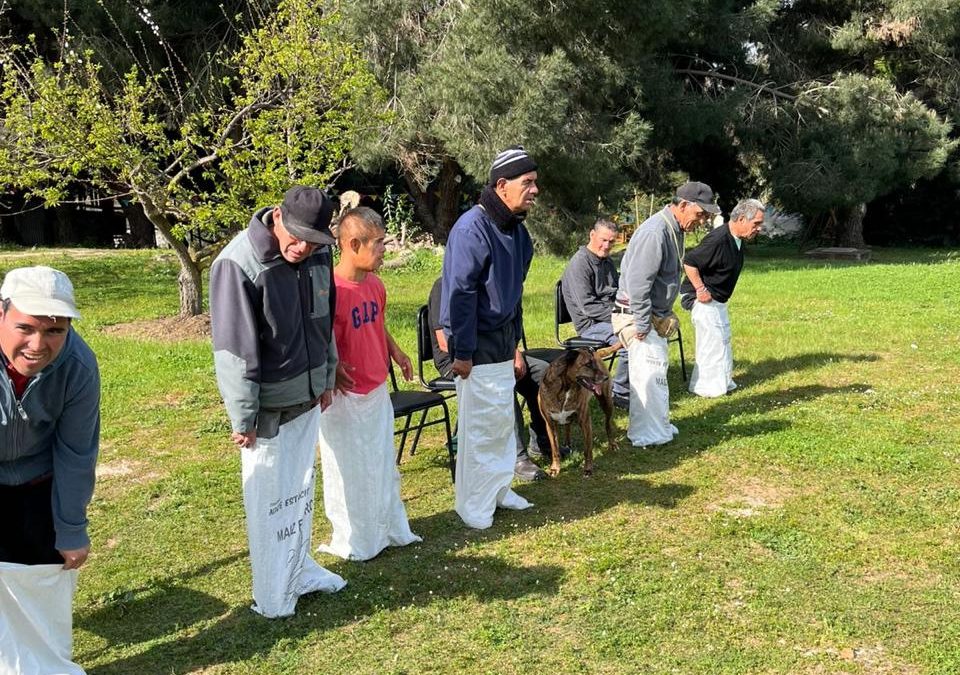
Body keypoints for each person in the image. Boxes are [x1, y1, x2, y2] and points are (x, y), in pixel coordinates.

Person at [210, 185, 346, 618]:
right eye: (297, 235)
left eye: (314, 238)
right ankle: (272, 596)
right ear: (277, 217)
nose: (303, 247)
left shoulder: (318, 253)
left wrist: (325, 377)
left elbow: (324, 322)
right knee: (271, 504)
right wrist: (243, 415)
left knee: (300, 493)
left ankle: (298, 568)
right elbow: (235, 350)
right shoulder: (237, 263)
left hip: (307, 398)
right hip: (266, 411)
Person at [0, 266, 99, 674]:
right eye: (25, 327)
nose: (38, 345)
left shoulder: (79, 365)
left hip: (40, 477)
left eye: (55, 331)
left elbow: (76, 451)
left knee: (42, 570)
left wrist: (71, 528)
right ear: (1, 313)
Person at [439, 145, 538, 529]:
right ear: (501, 185)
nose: (534, 190)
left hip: (502, 342)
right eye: (527, 183)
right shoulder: (471, 229)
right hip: (474, 346)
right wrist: (461, 351)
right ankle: (474, 503)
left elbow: (514, 295)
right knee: (479, 429)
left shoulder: (517, 230)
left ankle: (499, 489)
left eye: (535, 183)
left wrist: (515, 346)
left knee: (500, 424)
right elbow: (459, 295)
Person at [317, 207, 421, 560]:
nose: (384, 250)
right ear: (353, 244)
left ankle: (385, 527)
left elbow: (377, 324)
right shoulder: (330, 290)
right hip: (345, 398)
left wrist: (396, 352)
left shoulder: (375, 285)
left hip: (376, 390)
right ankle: (355, 538)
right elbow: (320, 341)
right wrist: (331, 372)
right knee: (349, 467)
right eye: (378, 243)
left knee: (379, 462)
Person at [611, 181, 719, 446]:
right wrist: (643, 323)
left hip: (652, 315)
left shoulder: (674, 228)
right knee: (649, 375)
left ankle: (656, 426)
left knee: (657, 373)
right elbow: (638, 283)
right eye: (700, 214)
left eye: (706, 216)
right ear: (683, 205)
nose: (702, 221)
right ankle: (646, 435)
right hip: (636, 316)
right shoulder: (655, 232)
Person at [428, 278, 565, 482]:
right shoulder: (444, 287)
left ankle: (542, 440)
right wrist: (494, 359)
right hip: (458, 361)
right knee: (502, 381)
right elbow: (445, 342)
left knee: (543, 372)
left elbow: (503, 330)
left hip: (497, 354)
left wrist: (514, 352)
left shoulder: (488, 285)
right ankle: (517, 457)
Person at [680, 198, 764, 397]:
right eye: (756, 224)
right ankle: (705, 388)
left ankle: (723, 382)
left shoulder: (738, 239)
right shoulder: (717, 239)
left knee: (723, 340)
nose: (759, 228)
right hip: (701, 298)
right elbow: (689, 262)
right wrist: (700, 289)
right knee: (712, 343)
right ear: (742, 219)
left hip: (718, 299)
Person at [560, 218, 629, 405]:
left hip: (610, 319)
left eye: (612, 241)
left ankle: (640, 387)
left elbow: (616, 293)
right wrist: (622, 318)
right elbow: (588, 307)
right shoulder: (580, 264)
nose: (607, 246)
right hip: (591, 325)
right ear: (592, 235)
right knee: (629, 341)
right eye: (603, 240)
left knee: (642, 331)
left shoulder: (606, 261)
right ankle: (620, 395)